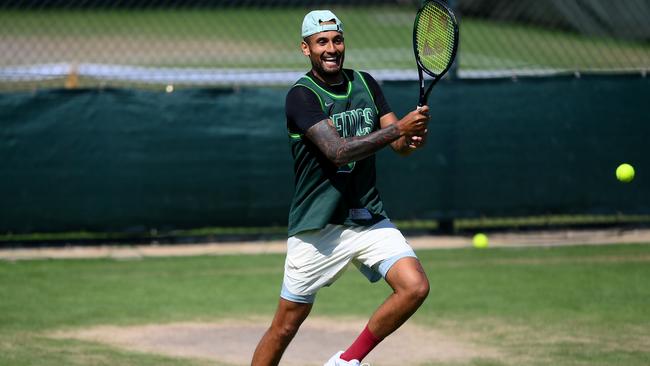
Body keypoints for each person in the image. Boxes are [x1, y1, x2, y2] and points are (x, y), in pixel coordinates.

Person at [251, 10, 431, 366]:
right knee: (285, 327)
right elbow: (337, 151)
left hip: (366, 216)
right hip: (318, 225)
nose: (331, 48)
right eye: (321, 42)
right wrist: (398, 130)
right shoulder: (301, 96)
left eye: (337, 39)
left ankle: (347, 361)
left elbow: (399, 145)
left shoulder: (365, 83)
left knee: (415, 287)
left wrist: (412, 138)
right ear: (306, 49)